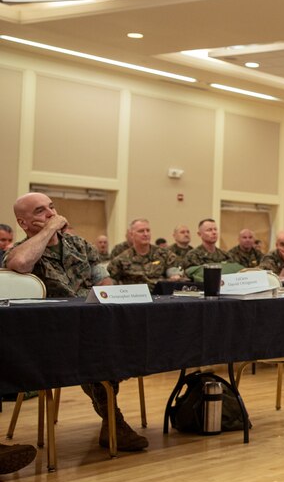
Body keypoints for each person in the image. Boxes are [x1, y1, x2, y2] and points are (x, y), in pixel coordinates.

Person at [4, 192, 148, 452]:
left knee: (118, 344)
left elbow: (104, 282)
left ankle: (111, 421)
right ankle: (114, 423)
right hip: (52, 335)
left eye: (51, 207)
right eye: (40, 211)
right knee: (95, 352)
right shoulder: (21, 251)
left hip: (91, 326)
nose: (50, 213)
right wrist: (48, 230)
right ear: (22, 223)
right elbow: (20, 263)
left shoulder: (80, 245)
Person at [108, 218, 183, 285]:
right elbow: (111, 280)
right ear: (131, 235)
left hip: (160, 296)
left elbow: (176, 271)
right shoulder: (122, 259)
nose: (146, 234)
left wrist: (175, 275)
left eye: (148, 230)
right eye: (141, 231)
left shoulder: (164, 254)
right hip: (135, 296)